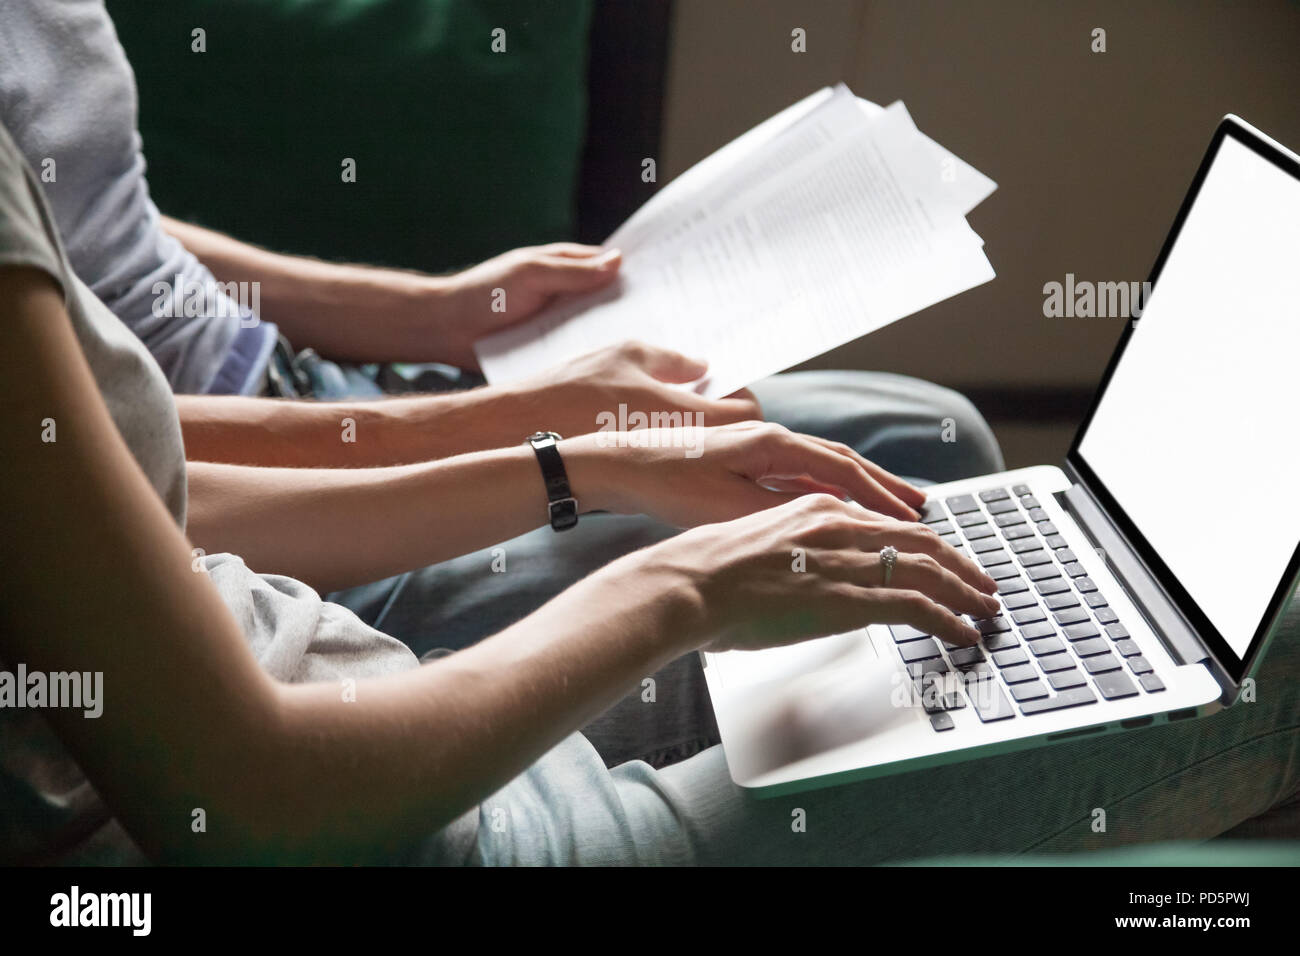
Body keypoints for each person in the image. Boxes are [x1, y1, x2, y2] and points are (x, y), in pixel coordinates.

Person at [4, 121, 1300, 867]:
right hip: (456, 823)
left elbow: (169, 498)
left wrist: (587, 465)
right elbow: (254, 802)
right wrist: (679, 584)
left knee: (958, 562)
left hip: (388, 704)